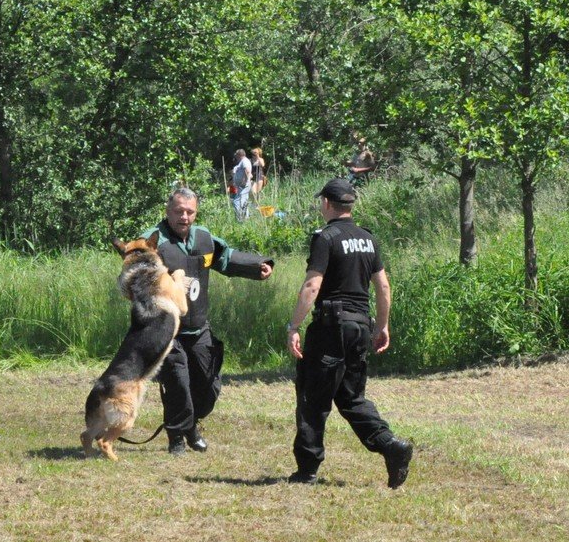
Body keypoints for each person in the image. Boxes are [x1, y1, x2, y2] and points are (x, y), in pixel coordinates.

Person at [285, 177, 413, 487]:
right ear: (350, 205)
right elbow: (383, 287)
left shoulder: (325, 238)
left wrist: (294, 326)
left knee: (313, 398)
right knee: (351, 397)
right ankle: (390, 445)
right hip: (359, 326)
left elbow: (312, 285)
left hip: (330, 328)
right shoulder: (368, 239)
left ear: (326, 203)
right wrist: (382, 325)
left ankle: (307, 470)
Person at [143, 187, 274, 455]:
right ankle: (177, 437)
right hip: (167, 329)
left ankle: (191, 424)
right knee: (178, 383)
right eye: (179, 211)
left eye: (189, 212)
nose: (184, 217)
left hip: (199, 327)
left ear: (196, 212)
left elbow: (226, 258)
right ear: (168, 211)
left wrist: (257, 265)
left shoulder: (203, 238)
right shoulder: (153, 241)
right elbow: (135, 273)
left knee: (208, 384)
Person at [228, 149, 253, 221]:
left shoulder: (245, 161)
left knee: (236, 202)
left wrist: (245, 181)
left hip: (244, 185)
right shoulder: (242, 162)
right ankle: (245, 218)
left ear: (239, 155)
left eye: (236, 155)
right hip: (241, 185)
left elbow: (247, 171)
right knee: (244, 202)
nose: (235, 157)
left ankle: (240, 219)